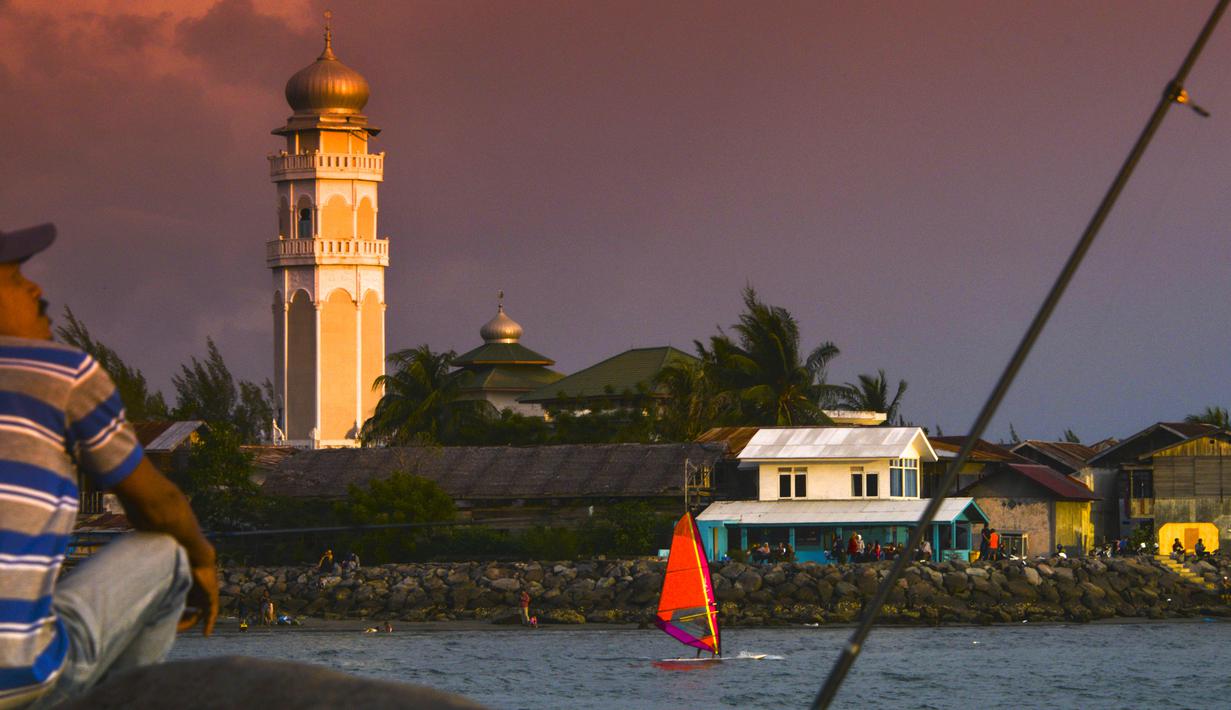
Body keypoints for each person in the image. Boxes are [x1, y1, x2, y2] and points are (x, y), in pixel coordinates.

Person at [0, 224, 218, 707]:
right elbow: (159, 506)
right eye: (14, 279)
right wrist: (203, 559)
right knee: (168, 552)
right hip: (17, 678)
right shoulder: (58, 372)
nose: (36, 291)